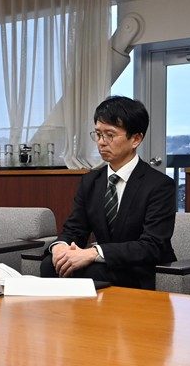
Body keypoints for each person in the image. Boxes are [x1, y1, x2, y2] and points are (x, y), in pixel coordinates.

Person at [41, 96, 176, 288]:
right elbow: (75, 229)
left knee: (91, 273)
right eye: (98, 134)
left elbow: (152, 245)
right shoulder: (90, 181)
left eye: (110, 135)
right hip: (106, 266)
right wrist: (60, 247)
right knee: (51, 264)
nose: (101, 142)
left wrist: (94, 253)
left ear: (136, 139)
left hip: (141, 269)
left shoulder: (159, 185)